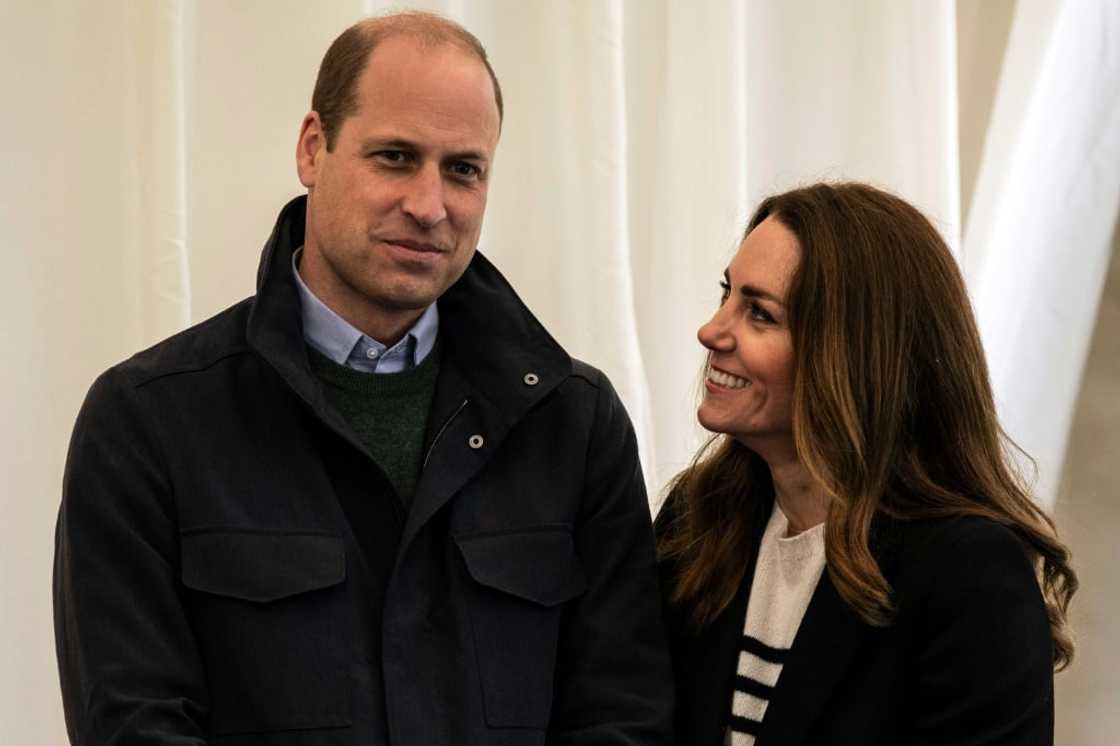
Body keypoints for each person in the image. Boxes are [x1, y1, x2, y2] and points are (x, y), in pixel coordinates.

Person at [53, 12, 672, 745]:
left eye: (463, 170)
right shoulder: (147, 423)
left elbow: (624, 719)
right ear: (314, 148)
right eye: (395, 157)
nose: (429, 206)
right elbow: (133, 725)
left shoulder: (574, 425)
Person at [656, 182, 1077, 745]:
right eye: (726, 294)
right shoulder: (699, 518)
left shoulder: (970, 577)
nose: (711, 330)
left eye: (758, 313)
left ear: (851, 354)